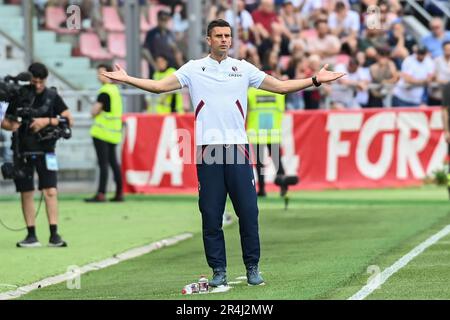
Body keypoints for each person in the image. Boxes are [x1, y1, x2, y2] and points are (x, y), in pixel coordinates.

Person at [101, 19, 344, 287]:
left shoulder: (243, 69)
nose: (224, 40)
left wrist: (314, 80)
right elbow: (159, 87)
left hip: (238, 150)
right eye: (218, 36)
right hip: (208, 151)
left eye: (227, 35)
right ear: (208, 39)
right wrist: (127, 80)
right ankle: (219, 270)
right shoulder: (194, 69)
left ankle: (252, 267)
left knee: (249, 212)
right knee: (211, 214)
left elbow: (282, 87)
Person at [0, 62, 73, 248]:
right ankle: (31, 235)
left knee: (50, 191)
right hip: (22, 150)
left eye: (41, 81)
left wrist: (45, 121)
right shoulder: (20, 95)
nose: (38, 85)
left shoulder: (52, 96)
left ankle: (54, 234)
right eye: (35, 81)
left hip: (46, 149)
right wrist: (15, 126)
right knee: (26, 192)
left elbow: (68, 119)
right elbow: (6, 121)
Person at [85, 64, 124, 202]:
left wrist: (93, 113)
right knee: (114, 163)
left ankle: (101, 193)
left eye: (102, 72)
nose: (99, 75)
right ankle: (119, 193)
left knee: (103, 164)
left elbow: (95, 111)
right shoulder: (115, 90)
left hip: (101, 132)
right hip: (114, 133)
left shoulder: (104, 91)